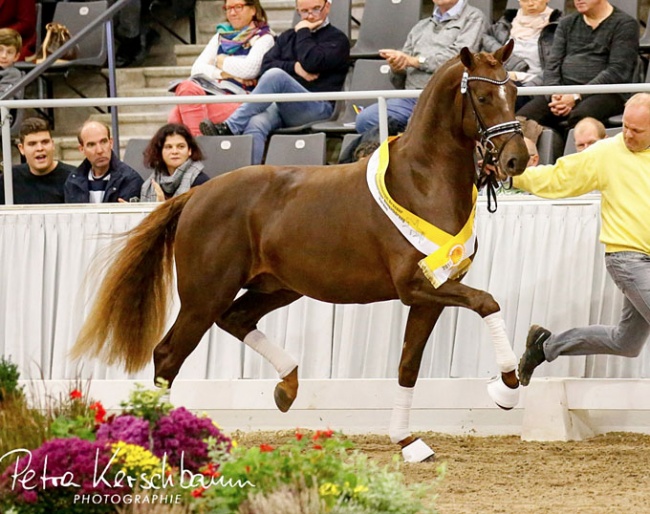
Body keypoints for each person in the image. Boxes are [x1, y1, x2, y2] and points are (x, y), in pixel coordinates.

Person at [515, 93, 650, 386]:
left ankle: (545, 345)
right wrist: (515, 176)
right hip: (627, 257)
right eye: (625, 126)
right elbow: (558, 178)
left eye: (636, 130)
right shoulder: (606, 152)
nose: (627, 134)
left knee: (625, 342)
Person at [198, 0, 350, 164]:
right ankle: (249, 177)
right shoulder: (288, 37)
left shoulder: (338, 39)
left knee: (276, 75)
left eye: (316, 9)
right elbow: (266, 66)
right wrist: (294, 67)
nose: (310, 15)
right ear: (298, 11)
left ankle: (230, 126)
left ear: (327, 7)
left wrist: (304, 31)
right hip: (283, 106)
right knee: (256, 122)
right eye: (304, 11)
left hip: (318, 106)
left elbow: (311, 62)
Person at [354, 0, 487, 134]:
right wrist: (398, 67)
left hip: (447, 98)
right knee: (365, 119)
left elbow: (459, 60)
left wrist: (415, 61)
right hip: (412, 98)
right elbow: (399, 82)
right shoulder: (420, 27)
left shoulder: (473, 18)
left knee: (420, 125)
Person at [516, 0, 639, 133]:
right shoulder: (566, 23)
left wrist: (576, 96)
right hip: (564, 91)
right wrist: (555, 94)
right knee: (522, 120)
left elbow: (617, 71)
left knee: (580, 116)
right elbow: (552, 66)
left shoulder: (625, 24)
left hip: (606, 92)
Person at [167, 0, 274, 136]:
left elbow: (248, 70)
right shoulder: (220, 36)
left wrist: (220, 60)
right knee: (186, 87)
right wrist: (227, 74)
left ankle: (198, 149)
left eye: (238, 7)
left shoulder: (264, 38)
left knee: (176, 117)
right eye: (228, 8)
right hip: (215, 93)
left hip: (242, 100)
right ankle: (199, 147)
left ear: (253, 9)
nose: (232, 12)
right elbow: (196, 69)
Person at [481, 0, 561, 108]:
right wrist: (513, 61)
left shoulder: (558, 26)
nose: (530, 3)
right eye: (525, 0)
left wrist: (526, 85)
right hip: (503, 80)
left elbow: (556, 67)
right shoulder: (506, 23)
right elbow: (486, 39)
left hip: (536, 84)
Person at [0, 117, 75, 204]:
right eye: (32, 144)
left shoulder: (73, 178)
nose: (40, 148)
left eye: (45, 142)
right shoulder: (9, 178)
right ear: (21, 149)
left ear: (53, 144)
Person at [64, 121, 143, 203]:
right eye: (91, 145)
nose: (99, 150)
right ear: (82, 149)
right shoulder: (73, 182)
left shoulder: (129, 180)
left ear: (111, 143)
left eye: (103, 142)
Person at [140, 123, 210, 202]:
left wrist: (162, 207)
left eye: (181, 146)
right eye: (168, 147)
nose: (175, 151)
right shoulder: (152, 182)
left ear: (189, 150)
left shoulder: (201, 182)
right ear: (160, 151)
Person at [0, 29, 23, 97]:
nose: (4, 56)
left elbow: (3, 97)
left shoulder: (13, 74)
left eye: (9, 52)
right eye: (0, 50)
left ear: (16, 56)